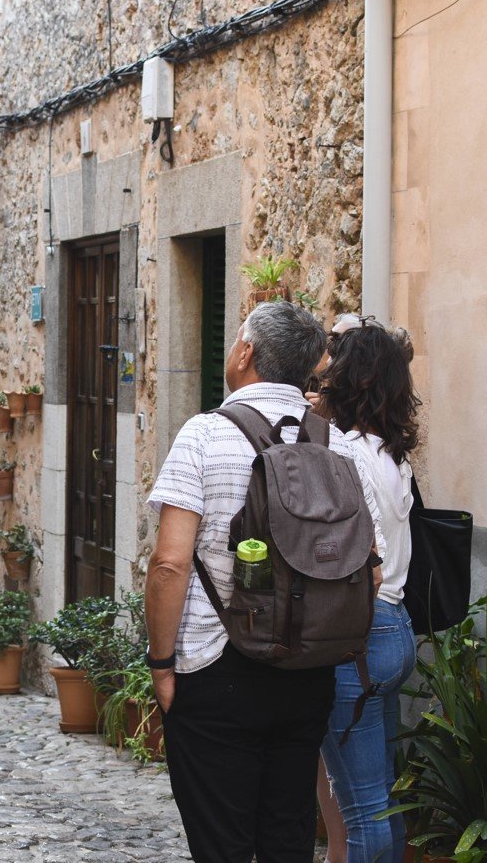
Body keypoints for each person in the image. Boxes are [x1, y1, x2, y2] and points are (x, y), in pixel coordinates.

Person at [144, 301, 388, 863]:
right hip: (308, 670)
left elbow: (170, 564)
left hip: (216, 665)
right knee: (287, 835)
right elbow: (368, 569)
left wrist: (162, 664)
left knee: (222, 842)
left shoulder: (205, 435)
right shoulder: (340, 445)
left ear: (246, 352)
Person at [310, 317, 421, 863]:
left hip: (360, 635)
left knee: (361, 812)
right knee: (380, 802)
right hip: (396, 630)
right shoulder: (390, 452)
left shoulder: (342, 450)